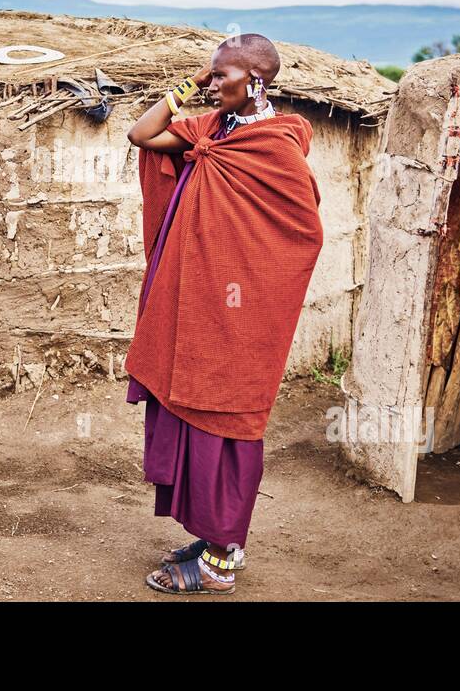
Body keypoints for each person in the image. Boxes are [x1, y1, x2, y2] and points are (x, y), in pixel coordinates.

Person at [124, 33, 324, 596]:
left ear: (256, 81)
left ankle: (221, 563)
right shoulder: (209, 131)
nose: (212, 86)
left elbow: (300, 236)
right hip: (196, 309)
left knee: (229, 422)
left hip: (241, 321)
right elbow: (141, 134)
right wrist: (186, 89)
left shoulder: (277, 147)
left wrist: (249, 296)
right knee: (186, 408)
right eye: (208, 77)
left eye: (222, 77)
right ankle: (210, 536)